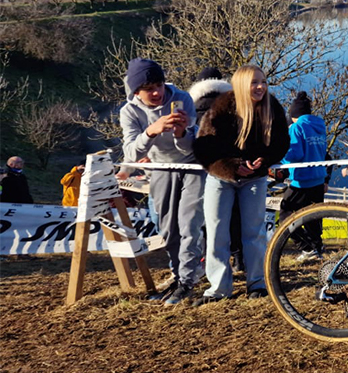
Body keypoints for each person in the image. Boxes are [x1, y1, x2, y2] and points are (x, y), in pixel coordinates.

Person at [193, 65, 290, 306]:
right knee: (216, 232)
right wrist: (232, 166)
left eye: (263, 82)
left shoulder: (272, 107)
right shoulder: (221, 107)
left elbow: (281, 143)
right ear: (240, 85)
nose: (261, 87)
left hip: (254, 179)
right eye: (254, 82)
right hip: (221, 177)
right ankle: (218, 288)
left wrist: (264, 162)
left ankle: (257, 282)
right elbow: (204, 148)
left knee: (254, 232)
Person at [119, 58, 205, 306]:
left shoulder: (182, 99)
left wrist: (180, 133)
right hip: (159, 168)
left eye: (159, 84)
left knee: (189, 223)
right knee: (168, 227)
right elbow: (132, 153)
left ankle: (188, 281)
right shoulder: (129, 112)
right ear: (136, 91)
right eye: (149, 88)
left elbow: (192, 145)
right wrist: (151, 131)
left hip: (192, 165)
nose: (157, 92)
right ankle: (178, 276)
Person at [188, 67, 244, 271]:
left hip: (202, 168)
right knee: (235, 215)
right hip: (230, 167)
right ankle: (239, 258)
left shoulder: (191, 108)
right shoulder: (233, 105)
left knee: (207, 218)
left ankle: (208, 259)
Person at [277, 91, 330, 261]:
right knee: (313, 217)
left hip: (301, 180)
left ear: (293, 114)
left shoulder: (296, 127)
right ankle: (317, 248)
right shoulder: (320, 126)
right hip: (319, 177)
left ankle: (306, 248)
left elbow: (294, 154)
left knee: (285, 215)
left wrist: (280, 155)